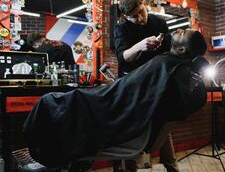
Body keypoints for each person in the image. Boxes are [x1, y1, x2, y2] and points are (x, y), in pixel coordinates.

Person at [23, 29, 208, 170]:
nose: (180, 30)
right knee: (70, 102)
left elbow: (124, 95)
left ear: (182, 48)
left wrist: (107, 91)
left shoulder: (166, 65)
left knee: (52, 101)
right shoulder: (173, 68)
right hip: (120, 103)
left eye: (185, 32)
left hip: (117, 114)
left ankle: (49, 150)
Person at [114, 0, 176, 171]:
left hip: (156, 82)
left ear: (144, 5)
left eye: (141, 11)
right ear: (126, 17)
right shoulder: (121, 28)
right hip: (132, 85)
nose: (140, 18)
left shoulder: (159, 23)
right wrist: (139, 46)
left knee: (162, 124)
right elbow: (122, 57)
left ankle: (171, 166)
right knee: (131, 128)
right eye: (134, 16)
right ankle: (129, 168)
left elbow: (169, 50)